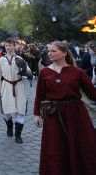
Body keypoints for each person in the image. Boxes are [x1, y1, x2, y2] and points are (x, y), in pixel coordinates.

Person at [33, 41, 96, 175]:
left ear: (64, 53)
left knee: (81, 145)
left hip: (76, 114)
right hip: (53, 115)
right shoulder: (45, 72)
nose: (50, 53)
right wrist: (36, 114)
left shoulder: (77, 72)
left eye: (53, 51)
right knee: (55, 148)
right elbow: (39, 95)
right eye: (49, 51)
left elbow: (92, 93)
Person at [0, 38, 31, 144]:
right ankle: (9, 127)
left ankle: (18, 135)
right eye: (6, 45)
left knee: (20, 108)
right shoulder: (1, 60)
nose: (8, 47)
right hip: (6, 86)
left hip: (19, 85)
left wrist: (26, 71)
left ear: (14, 46)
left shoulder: (20, 58)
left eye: (10, 45)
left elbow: (28, 72)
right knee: (6, 110)